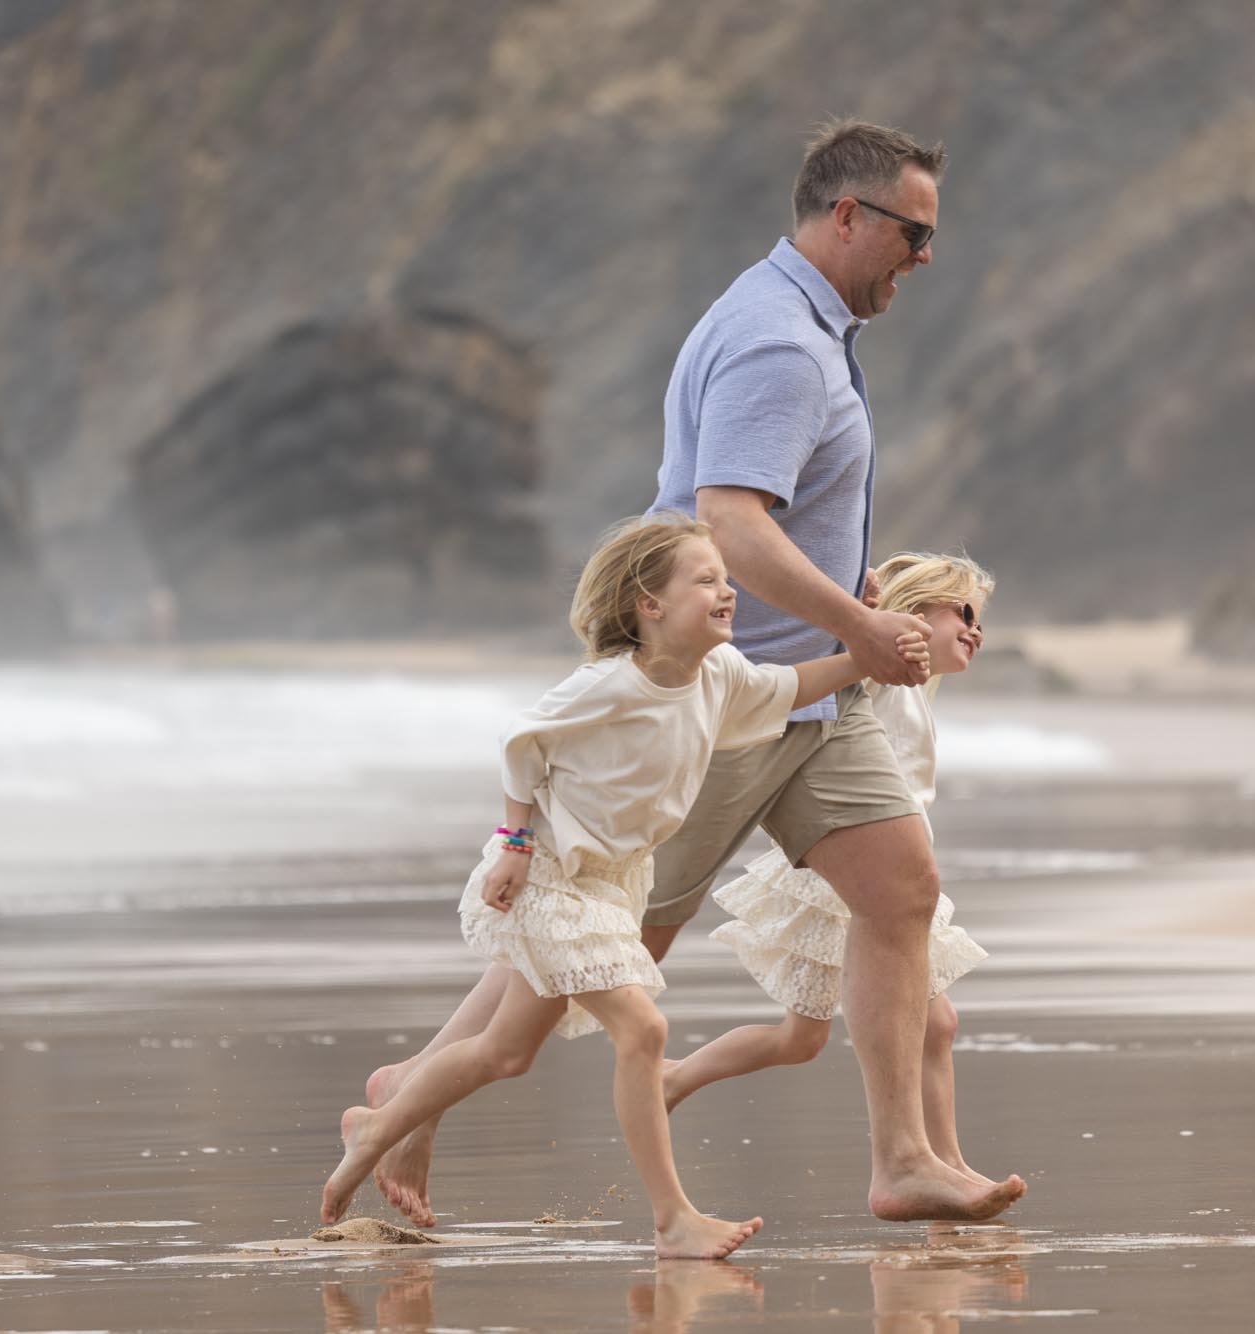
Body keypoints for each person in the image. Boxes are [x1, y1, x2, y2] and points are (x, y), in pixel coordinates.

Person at [362, 118, 1021, 1227]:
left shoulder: (802, 326)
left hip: (807, 694)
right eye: (911, 233)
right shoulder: (777, 344)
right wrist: (857, 628)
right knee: (577, 963)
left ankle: (903, 1157)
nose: (923, 257)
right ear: (846, 216)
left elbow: (773, 524)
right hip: (713, 704)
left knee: (899, 893)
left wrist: (841, 642)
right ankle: (405, 1101)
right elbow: (732, 521)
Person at [320, 512, 929, 1259]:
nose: (727, 591)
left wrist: (865, 657)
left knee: (508, 1052)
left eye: (726, 578)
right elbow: (521, 743)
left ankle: (378, 1126)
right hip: (552, 877)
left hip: (611, 888)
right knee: (643, 1030)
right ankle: (672, 1219)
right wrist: (513, 843)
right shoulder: (609, 684)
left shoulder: (717, 678)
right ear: (650, 604)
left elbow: (787, 687)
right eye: (707, 580)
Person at [661, 552, 1010, 1198]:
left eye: (981, 625)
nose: (975, 633)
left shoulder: (919, 687)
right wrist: (868, 608)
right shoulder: (874, 671)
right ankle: (943, 1166)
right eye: (963, 613)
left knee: (805, 1038)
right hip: (847, 877)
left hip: (889, 877)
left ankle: (676, 1078)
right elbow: (844, 645)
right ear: (916, 607)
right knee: (925, 1025)